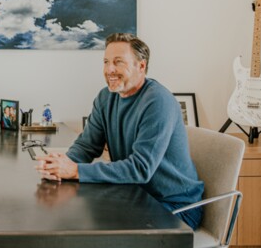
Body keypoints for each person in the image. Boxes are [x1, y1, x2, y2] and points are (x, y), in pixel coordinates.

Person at [35, 33, 204, 230]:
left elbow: (140, 169)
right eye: (106, 62)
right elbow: (87, 145)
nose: (109, 70)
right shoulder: (106, 97)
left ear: (141, 66)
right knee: (77, 222)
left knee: (96, 234)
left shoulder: (158, 101)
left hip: (174, 207)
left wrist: (75, 170)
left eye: (118, 62)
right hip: (135, 195)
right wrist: (62, 165)